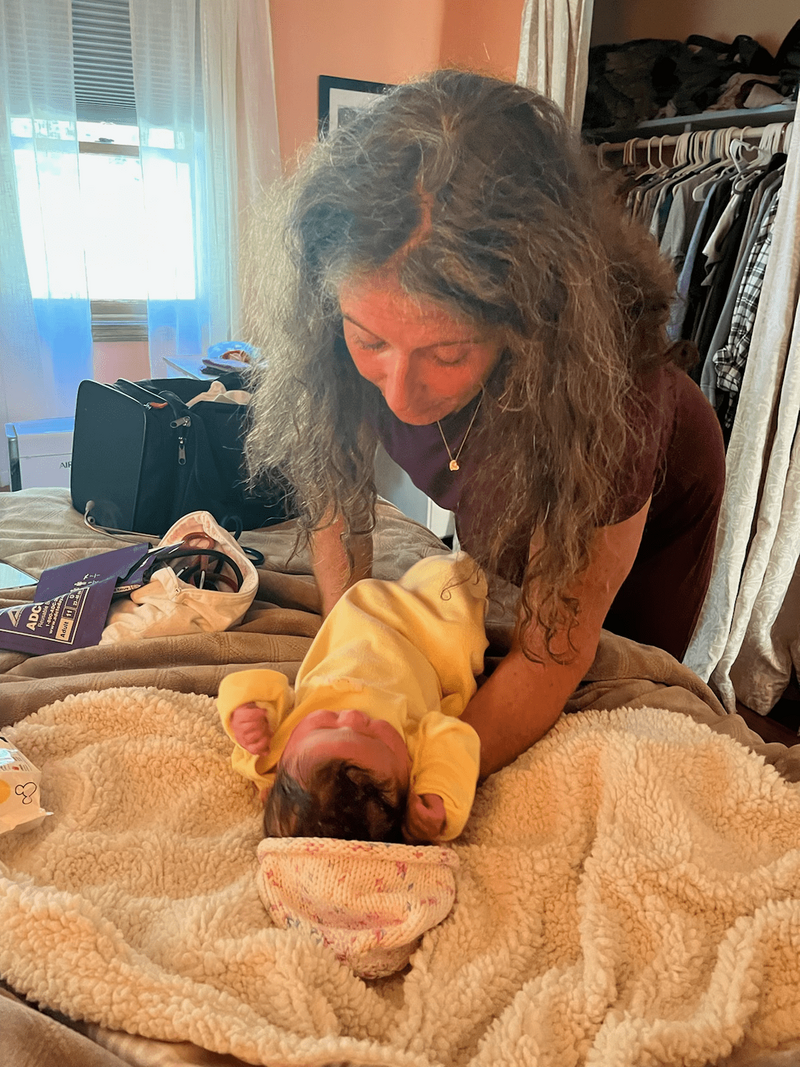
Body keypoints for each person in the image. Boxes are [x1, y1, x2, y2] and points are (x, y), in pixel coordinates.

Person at [243, 70, 726, 780]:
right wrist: (348, 662)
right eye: (368, 340)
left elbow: (551, 653)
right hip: (517, 466)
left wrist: (419, 778)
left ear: (529, 320)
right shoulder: (345, 326)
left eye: (445, 352)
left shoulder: (616, 399)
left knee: (616, 698)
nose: (400, 393)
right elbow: (336, 516)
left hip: (644, 492)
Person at [218, 553, 486, 843]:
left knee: (407, 582)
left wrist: (246, 712)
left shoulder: (270, 753)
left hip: (359, 617)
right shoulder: (413, 750)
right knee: (456, 577)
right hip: (428, 642)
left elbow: (247, 685)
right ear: (408, 782)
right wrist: (438, 793)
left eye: (326, 725)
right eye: (376, 736)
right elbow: (456, 740)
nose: (353, 717)